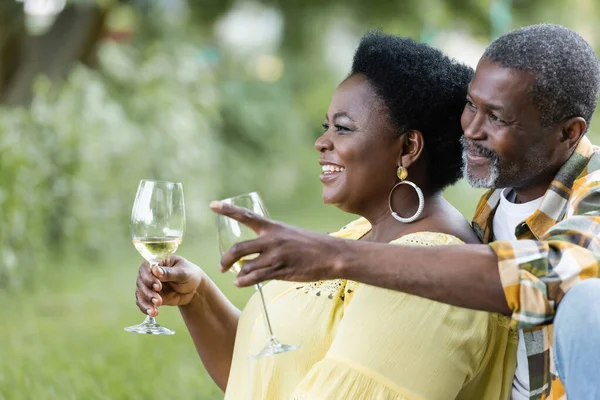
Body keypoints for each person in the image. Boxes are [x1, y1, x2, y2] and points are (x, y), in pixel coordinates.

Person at [211, 24, 600, 399]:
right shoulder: (500, 199)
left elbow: (545, 277)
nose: (470, 129)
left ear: (569, 133)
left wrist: (335, 257)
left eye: (496, 117)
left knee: (586, 306)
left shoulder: (592, 190)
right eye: (470, 105)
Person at [136, 32, 518, 399]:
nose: (322, 141)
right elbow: (266, 374)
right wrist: (198, 297)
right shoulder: (361, 235)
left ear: (407, 147)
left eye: (343, 128)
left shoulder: (432, 281)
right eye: (326, 126)